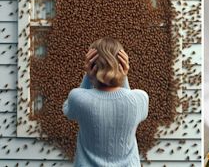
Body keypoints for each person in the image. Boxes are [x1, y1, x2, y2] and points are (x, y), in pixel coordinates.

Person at [63, 37, 149, 167]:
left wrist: (88, 76)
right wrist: (123, 76)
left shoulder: (77, 97)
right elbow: (129, 102)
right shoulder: (140, 98)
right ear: (122, 65)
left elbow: (68, 110)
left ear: (91, 66)